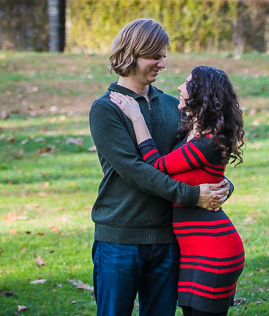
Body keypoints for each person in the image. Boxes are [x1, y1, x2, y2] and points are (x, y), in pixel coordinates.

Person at [88, 18, 233, 316]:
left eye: (164, 56)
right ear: (132, 54)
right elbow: (135, 170)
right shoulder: (105, 109)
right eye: (156, 56)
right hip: (120, 239)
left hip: (169, 240)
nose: (163, 64)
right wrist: (194, 196)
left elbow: (192, 157)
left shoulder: (173, 105)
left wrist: (222, 185)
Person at [109, 65, 246, 316]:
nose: (180, 88)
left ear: (201, 93)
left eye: (186, 84)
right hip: (193, 250)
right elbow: (203, 176)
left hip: (213, 249)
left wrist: (137, 118)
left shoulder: (209, 141)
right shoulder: (194, 133)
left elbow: (156, 165)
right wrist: (225, 185)